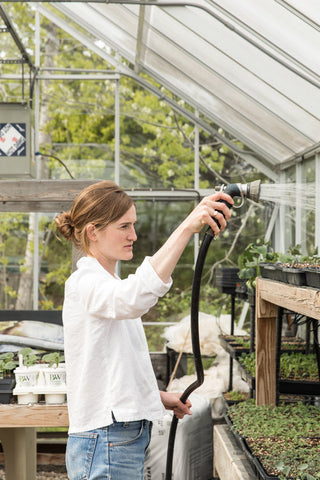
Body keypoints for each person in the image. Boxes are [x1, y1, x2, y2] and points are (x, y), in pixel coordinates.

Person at [54, 180, 233, 480]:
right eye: (124, 226)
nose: (133, 235)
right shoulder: (84, 284)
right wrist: (187, 227)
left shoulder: (106, 284)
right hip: (106, 440)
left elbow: (112, 364)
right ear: (92, 232)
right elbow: (134, 298)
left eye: (133, 225)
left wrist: (158, 396)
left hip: (116, 437)